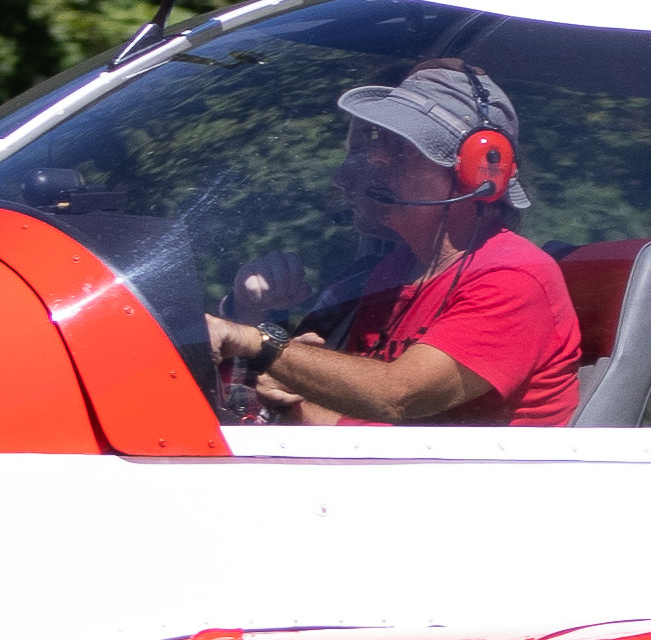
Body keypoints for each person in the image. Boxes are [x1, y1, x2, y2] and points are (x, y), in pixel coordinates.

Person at [202, 60, 584, 427]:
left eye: (399, 146)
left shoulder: (513, 277)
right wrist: (286, 383)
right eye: (377, 143)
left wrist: (254, 343)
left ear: (476, 171)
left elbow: (398, 397)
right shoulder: (395, 271)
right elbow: (357, 423)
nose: (377, 158)